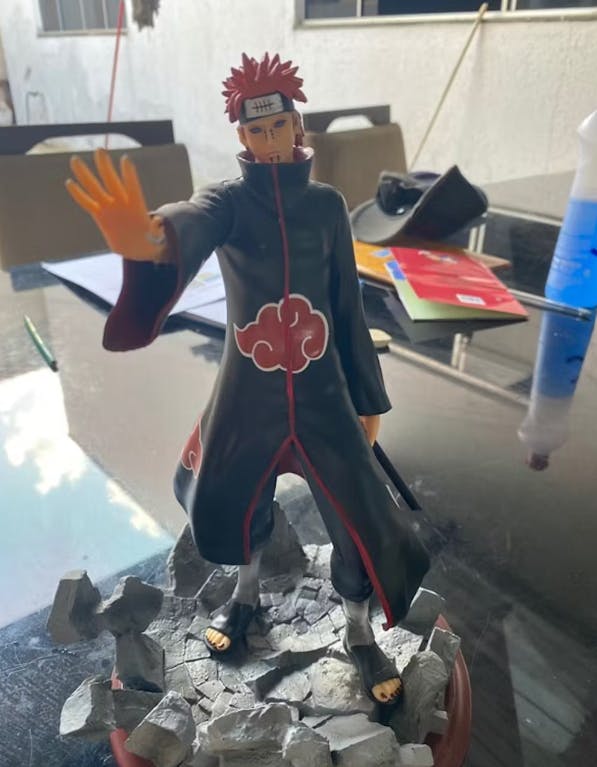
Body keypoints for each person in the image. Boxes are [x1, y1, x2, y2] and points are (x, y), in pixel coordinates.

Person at [66, 52, 429, 705]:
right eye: (256, 131)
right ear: (242, 136)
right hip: (248, 394)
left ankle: (357, 629)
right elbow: (194, 216)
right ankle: (244, 596)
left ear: (297, 125)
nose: (269, 140)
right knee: (235, 502)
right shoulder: (230, 203)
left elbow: (347, 307)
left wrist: (367, 394)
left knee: (358, 516)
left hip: (322, 393)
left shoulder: (326, 206)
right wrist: (149, 238)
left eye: (278, 125)